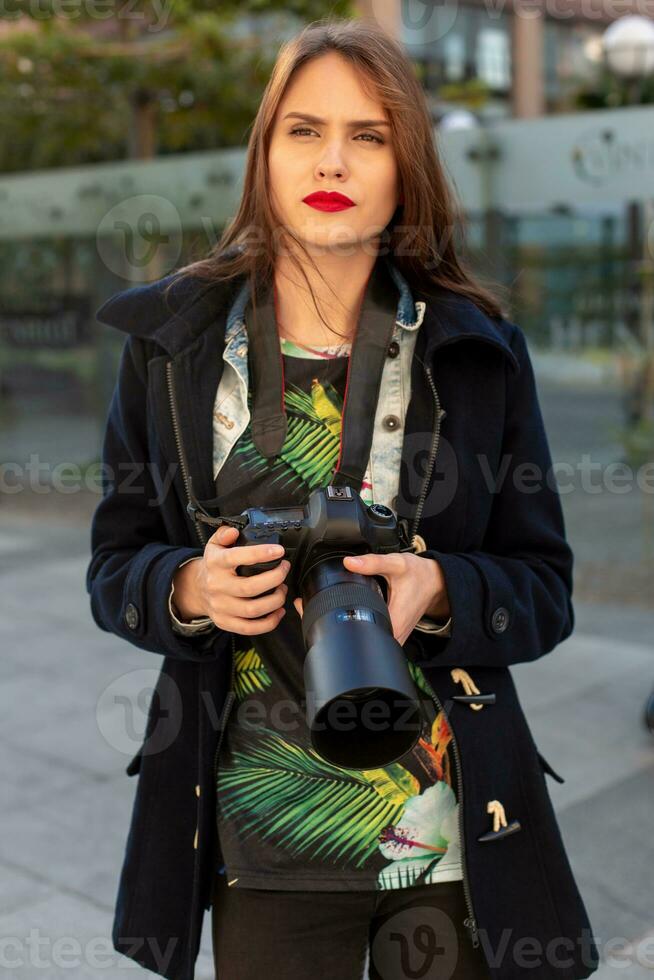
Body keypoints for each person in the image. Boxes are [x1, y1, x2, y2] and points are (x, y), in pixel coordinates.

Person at [87, 16, 600, 980]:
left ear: (406, 165)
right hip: (258, 830)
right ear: (264, 154)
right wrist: (190, 593)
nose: (334, 159)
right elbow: (114, 564)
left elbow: (544, 589)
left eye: (369, 135)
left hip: (446, 832)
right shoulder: (171, 347)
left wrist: (439, 588)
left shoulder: (478, 349)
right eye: (304, 129)